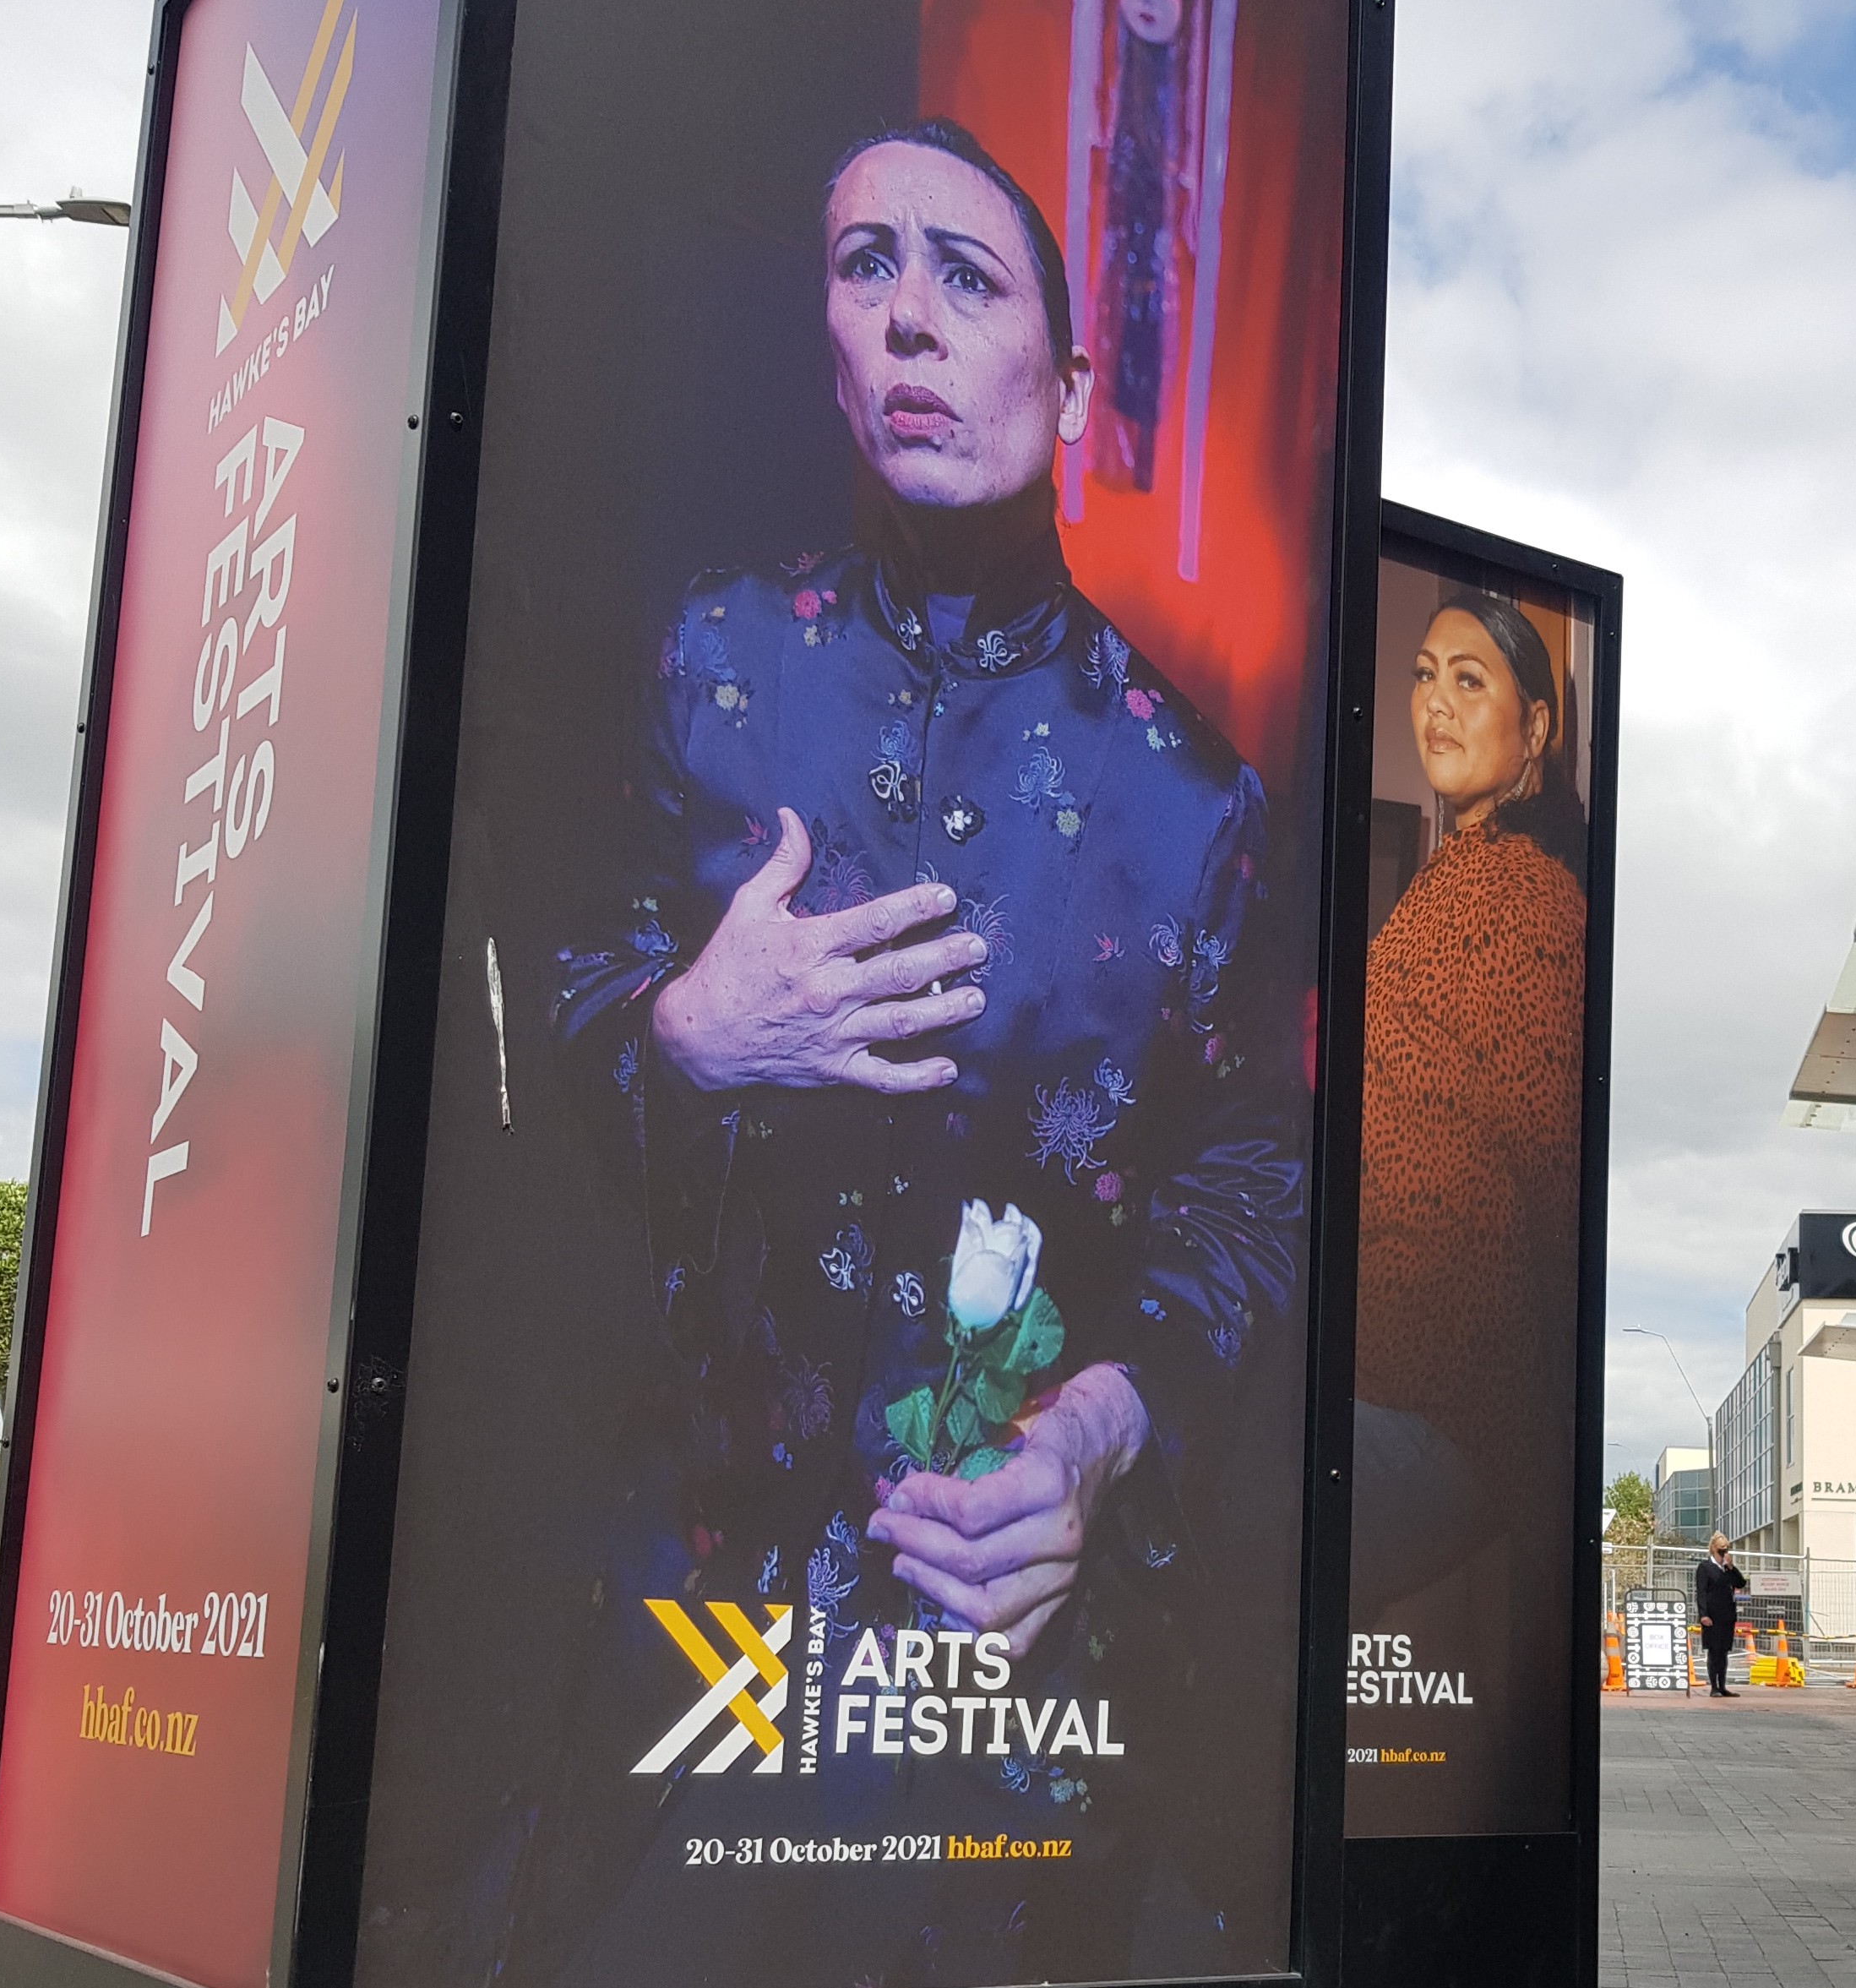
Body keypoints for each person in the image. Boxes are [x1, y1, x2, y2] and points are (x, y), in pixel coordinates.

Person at [558, 117, 1304, 1762]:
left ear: (1070, 384)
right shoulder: (708, 655)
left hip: (1008, 1676)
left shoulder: (1193, 801)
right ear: (829, 355)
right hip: (683, 1622)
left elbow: (1256, 1199)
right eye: (865, 266)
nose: (909, 316)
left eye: (966, 278)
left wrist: (1103, 1439)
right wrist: (686, 1032)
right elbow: (519, 1044)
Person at [1349, 591, 1586, 1620]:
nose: (1436, 704)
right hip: (1385, 1380)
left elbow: (1555, 1190)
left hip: (1444, 1408)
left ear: (1535, 727)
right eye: (1423, 675)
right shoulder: (1449, 884)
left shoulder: (1531, 907)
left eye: (1470, 679)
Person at [1695, 1533, 1750, 1697]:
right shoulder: (1705, 1567)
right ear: (1713, 1549)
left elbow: (1740, 1583)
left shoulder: (1727, 1569)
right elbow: (1701, 1593)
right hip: (1712, 1616)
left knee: (1724, 1652)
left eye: (1726, 1549)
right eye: (1721, 1549)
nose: (1724, 1552)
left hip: (1727, 1615)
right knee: (1714, 1651)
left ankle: (1723, 1685)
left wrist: (1731, 1567)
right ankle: (1714, 1687)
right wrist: (1703, 1614)